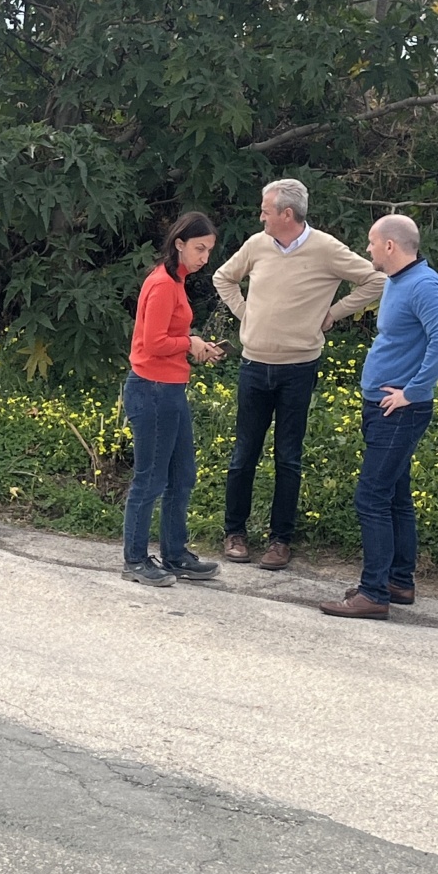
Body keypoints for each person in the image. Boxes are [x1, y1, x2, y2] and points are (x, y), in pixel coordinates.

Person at [211, 178, 384, 569]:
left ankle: (280, 541)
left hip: (299, 366)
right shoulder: (257, 244)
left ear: (287, 214)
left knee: (288, 456)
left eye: (266, 210)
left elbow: (376, 279)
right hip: (254, 364)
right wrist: (245, 314)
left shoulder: (325, 248)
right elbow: (223, 277)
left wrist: (333, 314)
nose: (261, 216)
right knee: (243, 454)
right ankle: (234, 532)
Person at [322, 214, 438, 621]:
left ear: (390, 246)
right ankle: (398, 581)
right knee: (396, 496)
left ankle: (373, 593)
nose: (367, 248)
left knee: (371, 496)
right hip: (384, 407)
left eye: (371, 242)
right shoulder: (400, 282)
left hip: (398, 411)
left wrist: (412, 391)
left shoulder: (424, 284)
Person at [122, 211, 226, 587]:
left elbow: (170, 334)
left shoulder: (176, 281)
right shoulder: (163, 283)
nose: (204, 257)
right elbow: (153, 343)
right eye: (199, 248)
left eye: (209, 250)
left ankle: (175, 553)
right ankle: (134, 559)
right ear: (179, 244)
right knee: (149, 478)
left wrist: (196, 345)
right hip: (151, 389)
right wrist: (191, 343)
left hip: (171, 388)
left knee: (182, 476)